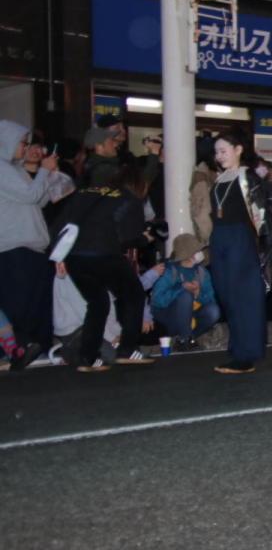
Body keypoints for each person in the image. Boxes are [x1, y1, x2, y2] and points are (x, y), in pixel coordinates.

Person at [51, 166, 157, 371]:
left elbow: (59, 224)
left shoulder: (85, 192)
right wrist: (146, 238)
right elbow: (129, 236)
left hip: (74, 256)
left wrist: (58, 256)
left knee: (97, 303)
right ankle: (127, 350)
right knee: (134, 295)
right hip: (104, 254)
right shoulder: (129, 197)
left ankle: (87, 358)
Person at [207, 129, 272, 374]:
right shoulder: (220, 178)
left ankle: (246, 354)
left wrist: (266, 252)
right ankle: (238, 348)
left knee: (243, 297)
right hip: (219, 238)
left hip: (239, 238)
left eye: (224, 151)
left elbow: (263, 216)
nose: (219, 156)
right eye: (217, 152)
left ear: (238, 149)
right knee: (227, 295)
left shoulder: (247, 176)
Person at [0, 121, 58, 370]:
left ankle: (25, 350)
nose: (24, 148)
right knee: (19, 305)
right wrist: (44, 172)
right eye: (22, 142)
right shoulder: (2, 169)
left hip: (30, 247)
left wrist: (49, 177)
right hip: (14, 247)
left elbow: (37, 201)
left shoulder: (12, 169)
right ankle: (12, 352)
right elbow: (29, 195)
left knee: (33, 306)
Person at [150, 233, 219, 352]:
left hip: (191, 316)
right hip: (168, 317)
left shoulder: (202, 272)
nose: (200, 254)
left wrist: (197, 293)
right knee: (186, 295)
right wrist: (181, 288)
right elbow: (157, 301)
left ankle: (187, 338)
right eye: (196, 251)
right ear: (187, 255)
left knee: (214, 311)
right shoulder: (169, 270)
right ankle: (185, 339)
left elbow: (211, 299)